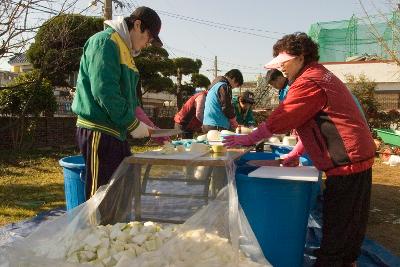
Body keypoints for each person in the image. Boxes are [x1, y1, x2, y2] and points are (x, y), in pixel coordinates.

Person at [223, 32, 375, 267]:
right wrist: (294, 154)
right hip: (354, 158)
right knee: (348, 224)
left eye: (284, 59)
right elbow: (311, 125)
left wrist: (250, 138)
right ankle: (347, 260)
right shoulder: (317, 76)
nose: (281, 66)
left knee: (338, 227)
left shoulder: (309, 81)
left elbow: (283, 118)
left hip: (348, 161)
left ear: (301, 57)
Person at [72, 6, 164, 200]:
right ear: (137, 25)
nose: (148, 44)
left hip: (116, 132)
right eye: (149, 37)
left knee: (121, 189)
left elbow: (130, 100)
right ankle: (96, 230)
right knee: (101, 195)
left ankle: (115, 230)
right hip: (99, 129)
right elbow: (105, 92)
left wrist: (149, 127)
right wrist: (133, 124)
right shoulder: (105, 42)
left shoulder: (126, 52)